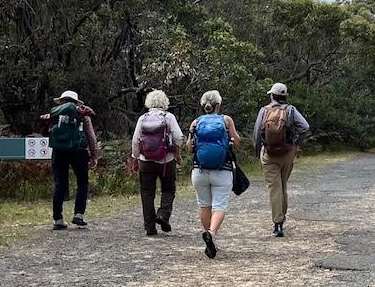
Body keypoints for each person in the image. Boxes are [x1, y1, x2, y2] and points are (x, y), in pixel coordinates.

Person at [187, 90, 242, 258]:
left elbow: (189, 148)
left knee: (204, 205)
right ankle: (211, 233)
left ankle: (209, 237)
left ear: (204, 106)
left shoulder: (195, 122)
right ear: (219, 105)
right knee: (219, 206)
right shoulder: (226, 120)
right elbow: (238, 142)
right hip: (222, 171)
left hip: (199, 170)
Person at [252, 82, 310, 238]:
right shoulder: (291, 110)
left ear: (272, 95)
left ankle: (277, 224)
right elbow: (305, 127)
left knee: (274, 187)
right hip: (287, 153)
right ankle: (281, 220)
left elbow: (257, 134)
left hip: (268, 154)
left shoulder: (264, 111)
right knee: (282, 185)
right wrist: (296, 144)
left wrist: (258, 153)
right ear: (285, 97)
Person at [41, 89, 100, 230]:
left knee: (59, 184)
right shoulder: (82, 114)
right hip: (79, 151)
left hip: (59, 151)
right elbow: (90, 136)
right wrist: (94, 155)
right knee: (82, 182)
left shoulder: (55, 114)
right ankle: (78, 215)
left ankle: (58, 219)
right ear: (76, 102)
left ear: (61, 101)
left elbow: (45, 133)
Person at [129, 89, 185, 236]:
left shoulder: (143, 118)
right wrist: (177, 154)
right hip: (166, 160)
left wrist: (135, 159)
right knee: (168, 189)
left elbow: (135, 141)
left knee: (147, 193)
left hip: (145, 161)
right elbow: (179, 137)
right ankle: (163, 215)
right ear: (164, 102)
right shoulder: (169, 117)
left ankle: (150, 227)